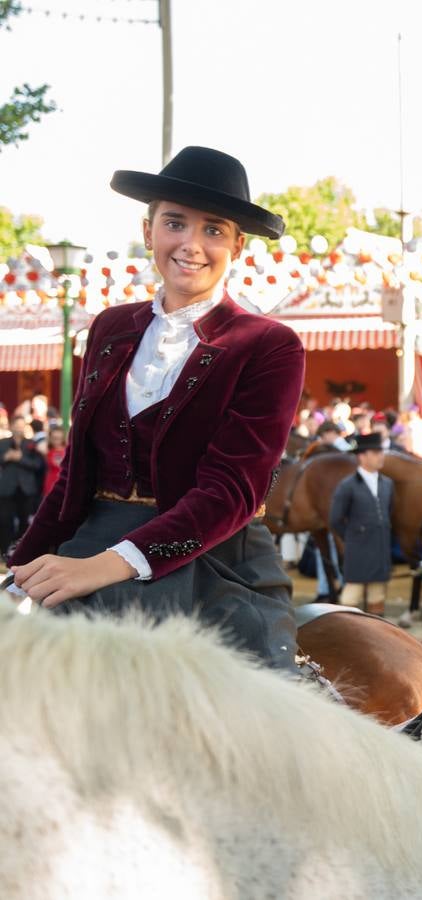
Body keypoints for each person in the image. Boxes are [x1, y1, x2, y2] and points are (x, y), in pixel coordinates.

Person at [7, 146, 304, 669]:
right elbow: (77, 473)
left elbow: (230, 492)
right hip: (88, 542)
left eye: (213, 229)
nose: (191, 244)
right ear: (149, 233)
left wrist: (106, 566)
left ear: (238, 245)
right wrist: (20, 568)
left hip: (215, 560)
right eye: (175, 223)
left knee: (258, 732)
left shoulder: (269, 344)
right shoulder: (108, 326)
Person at [328, 432, 393, 616]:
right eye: (375, 452)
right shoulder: (347, 485)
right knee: (349, 601)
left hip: (380, 549)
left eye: (381, 451)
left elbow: (388, 514)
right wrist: (353, 536)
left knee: (377, 600)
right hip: (357, 551)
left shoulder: (387, 484)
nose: (381, 456)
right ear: (362, 456)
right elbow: (335, 519)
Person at [0, 425, 45, 557]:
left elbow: (38, 465)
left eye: (21, 427)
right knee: (4, 521)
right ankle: (4, 552)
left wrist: (20, 458)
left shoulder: (31, 444)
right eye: (16, 426)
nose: (18, 430)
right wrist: (6, 457)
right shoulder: (3, 443)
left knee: (25, 522)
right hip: (7, 489)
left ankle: (21, 552)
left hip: (26, 490)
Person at [42, 425, 66, 497]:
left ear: (62, 438)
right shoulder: (47, 451)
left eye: (59, 438)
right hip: (50, 484)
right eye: (54, 438)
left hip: (64, 485)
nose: (57, 441)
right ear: (50, 438)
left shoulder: (67, 451)